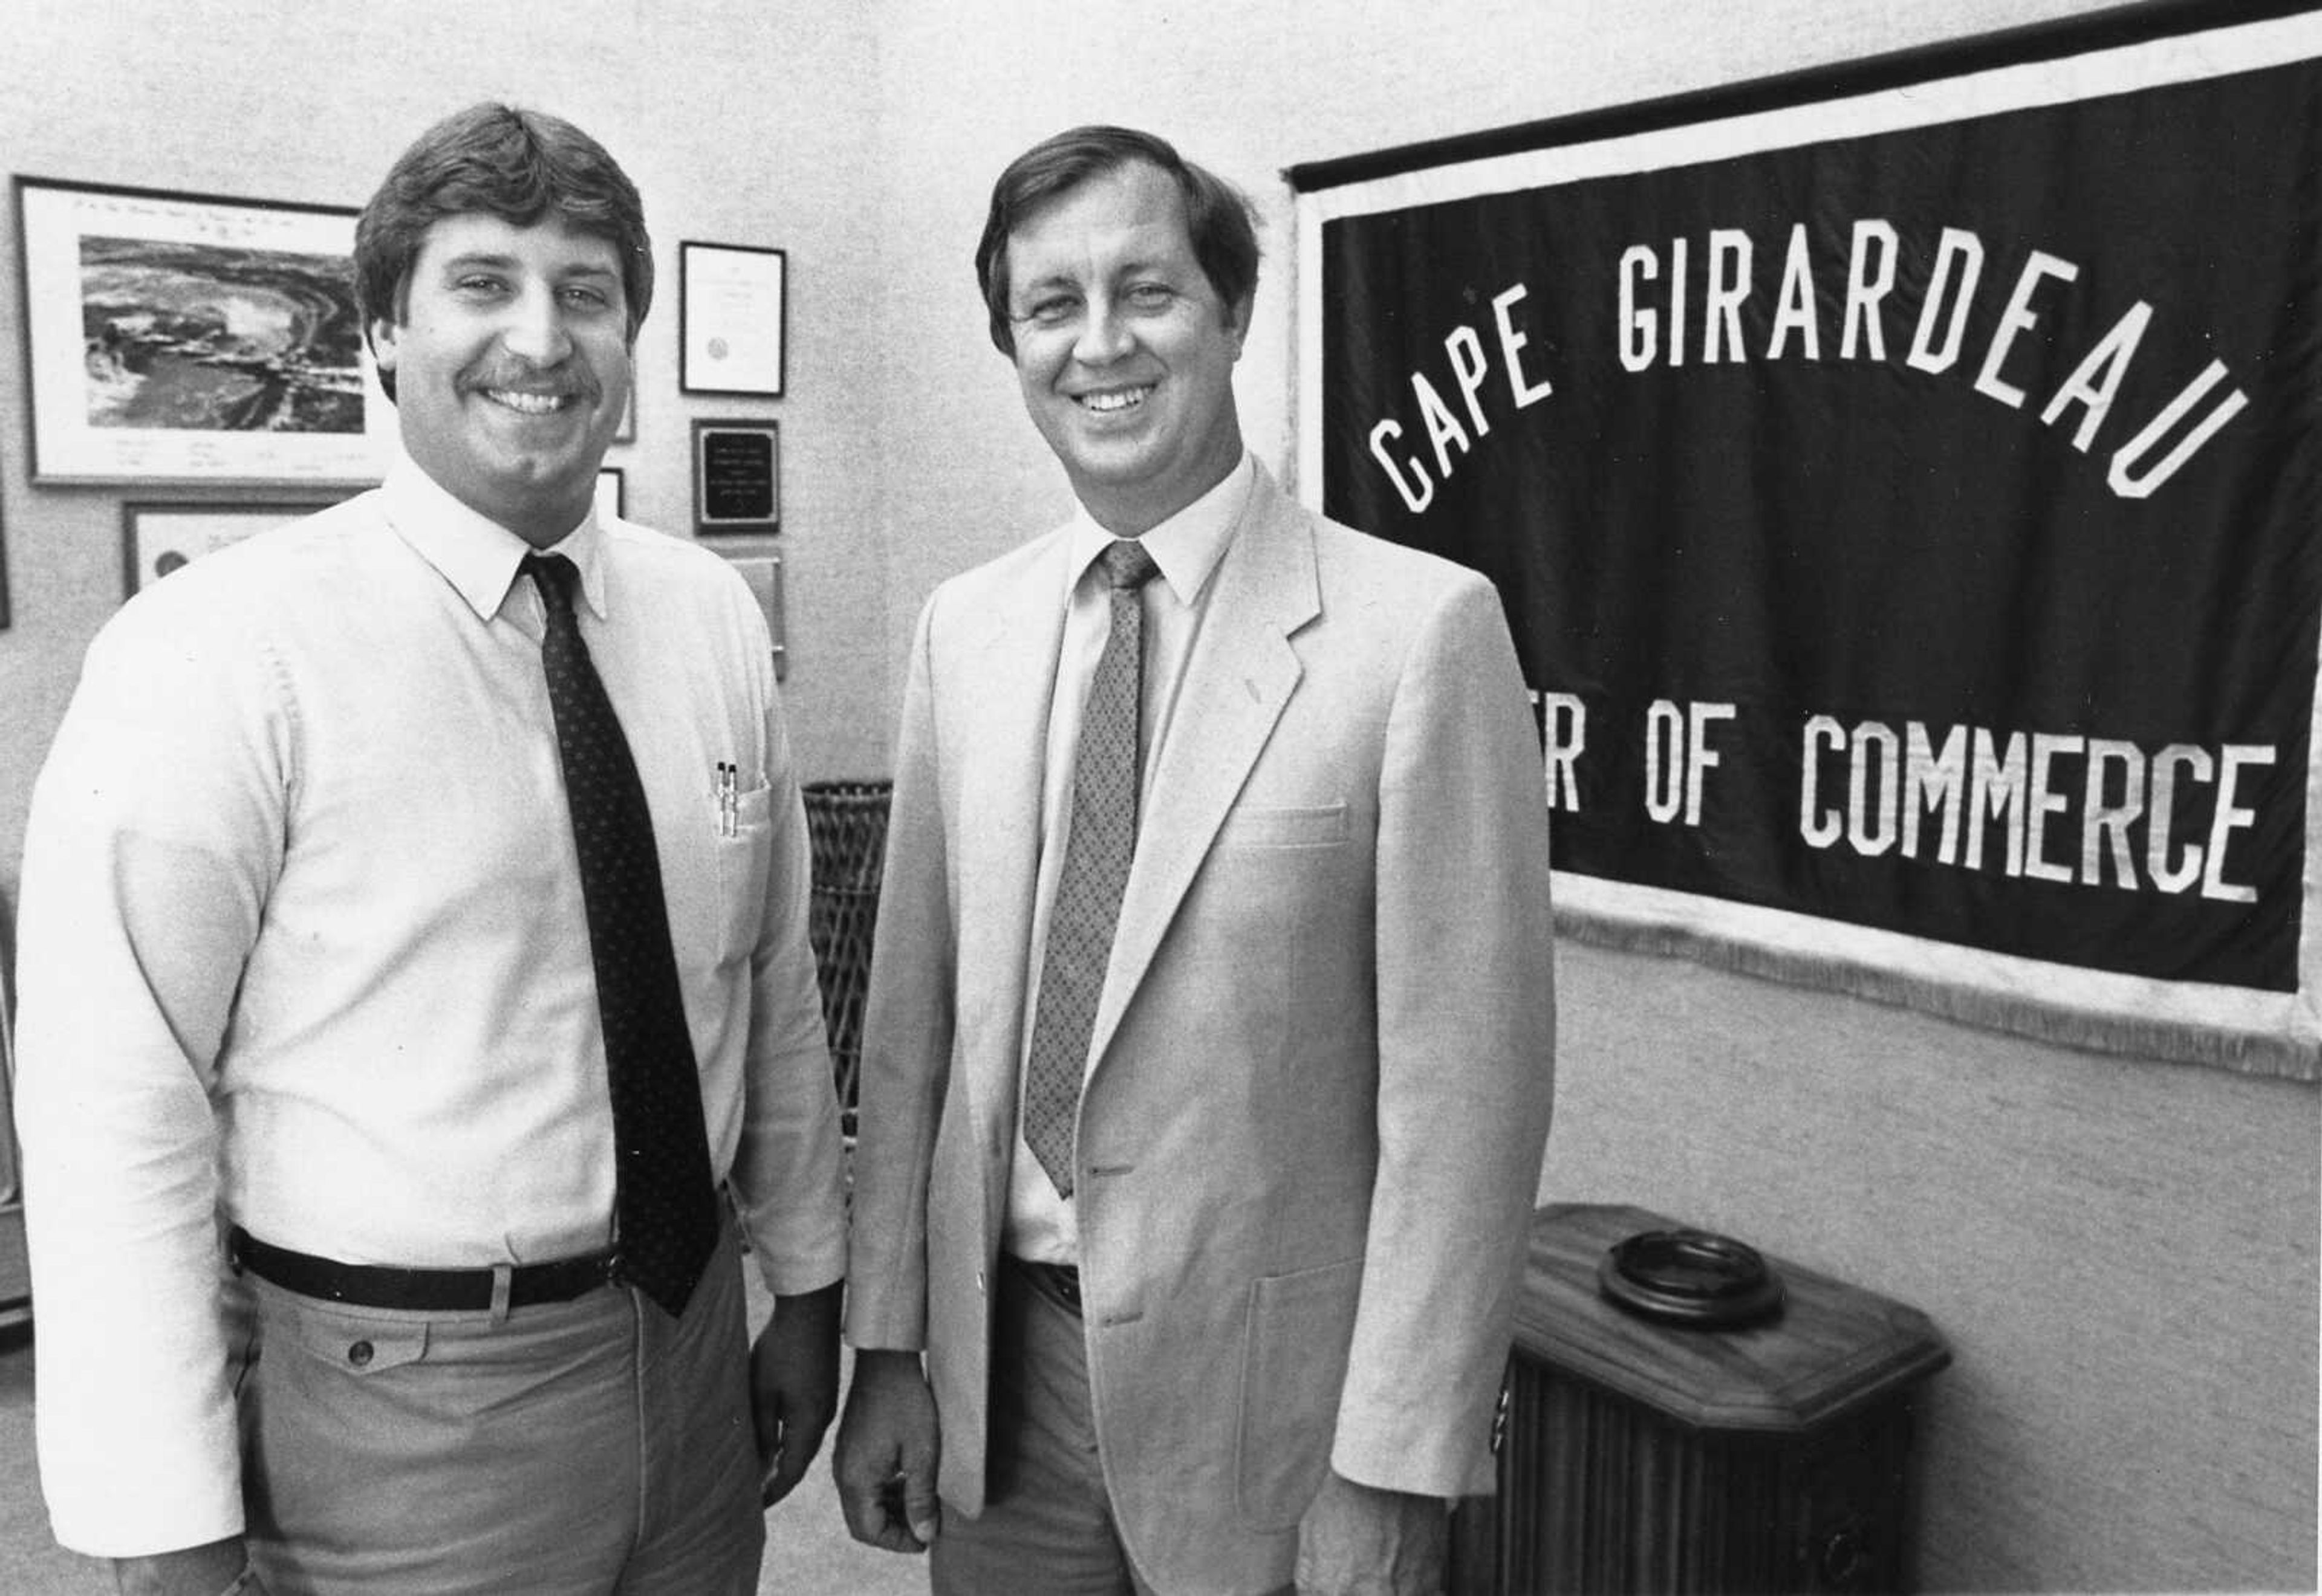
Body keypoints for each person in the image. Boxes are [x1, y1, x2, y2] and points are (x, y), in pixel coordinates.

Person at [14, 103, 846, 1596]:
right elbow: (109, 1111)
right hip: (398, 1408)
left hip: (693, 1340)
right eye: (483, 284)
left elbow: (764, 983)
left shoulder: (710, 617)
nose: (540, 338)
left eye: (585, 292)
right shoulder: (220, 655)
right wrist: (164, 1522)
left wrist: (809, 1286)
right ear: (383, 330)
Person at [832, 125, 1556, 1596]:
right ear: (1015, 345)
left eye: (1145, 290)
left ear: (1230, 312)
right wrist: (889, 1346)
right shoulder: (961, 632)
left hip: (1276, 1420)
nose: (1100, 344)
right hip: (1004, 1387)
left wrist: (1395, 1464)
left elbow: (1466, 1111)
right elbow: (911, 1042)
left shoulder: (1418, 633)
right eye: (1052, 307)